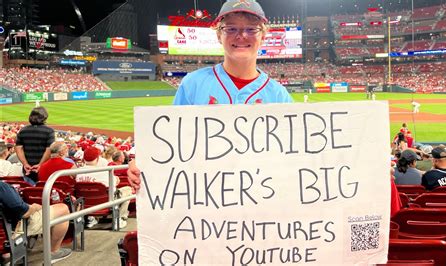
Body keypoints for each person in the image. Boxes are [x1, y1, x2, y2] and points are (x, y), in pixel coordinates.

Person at [128, 0, 292, 190]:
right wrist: (144, 164)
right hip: (205, 200)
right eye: (231, 29)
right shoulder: (193, 84)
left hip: (259, 198)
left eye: (251, 29)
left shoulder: (279, 95)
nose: (241, 36)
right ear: (218, 35)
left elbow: (290, 158)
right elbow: (170, 140)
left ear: (263, 36)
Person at [0, 182, 71, 263]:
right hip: (15, 229)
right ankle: (54, 251)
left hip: (4, 234)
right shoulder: (3, 187)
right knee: (63, 208)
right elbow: (25, 213)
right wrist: (35, 207)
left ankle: (6, 253)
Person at [76, 147, 131, 229]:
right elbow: (116, 183)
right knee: (128, 190)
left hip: (86, 205)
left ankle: (91, 218)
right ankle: (119, 219)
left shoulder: (78, 173)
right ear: (98, 159)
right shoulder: (104, 172)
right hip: (106, 204)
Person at [15, 107, 55, 185]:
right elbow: (49, 149)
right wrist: (40, 164)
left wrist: (25, 164)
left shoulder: (23, 130)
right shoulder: (49, 131)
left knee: (30, 191)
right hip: (44, 169)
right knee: (43, 191)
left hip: (28, 169)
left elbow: (18, 148)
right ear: (44, 117)